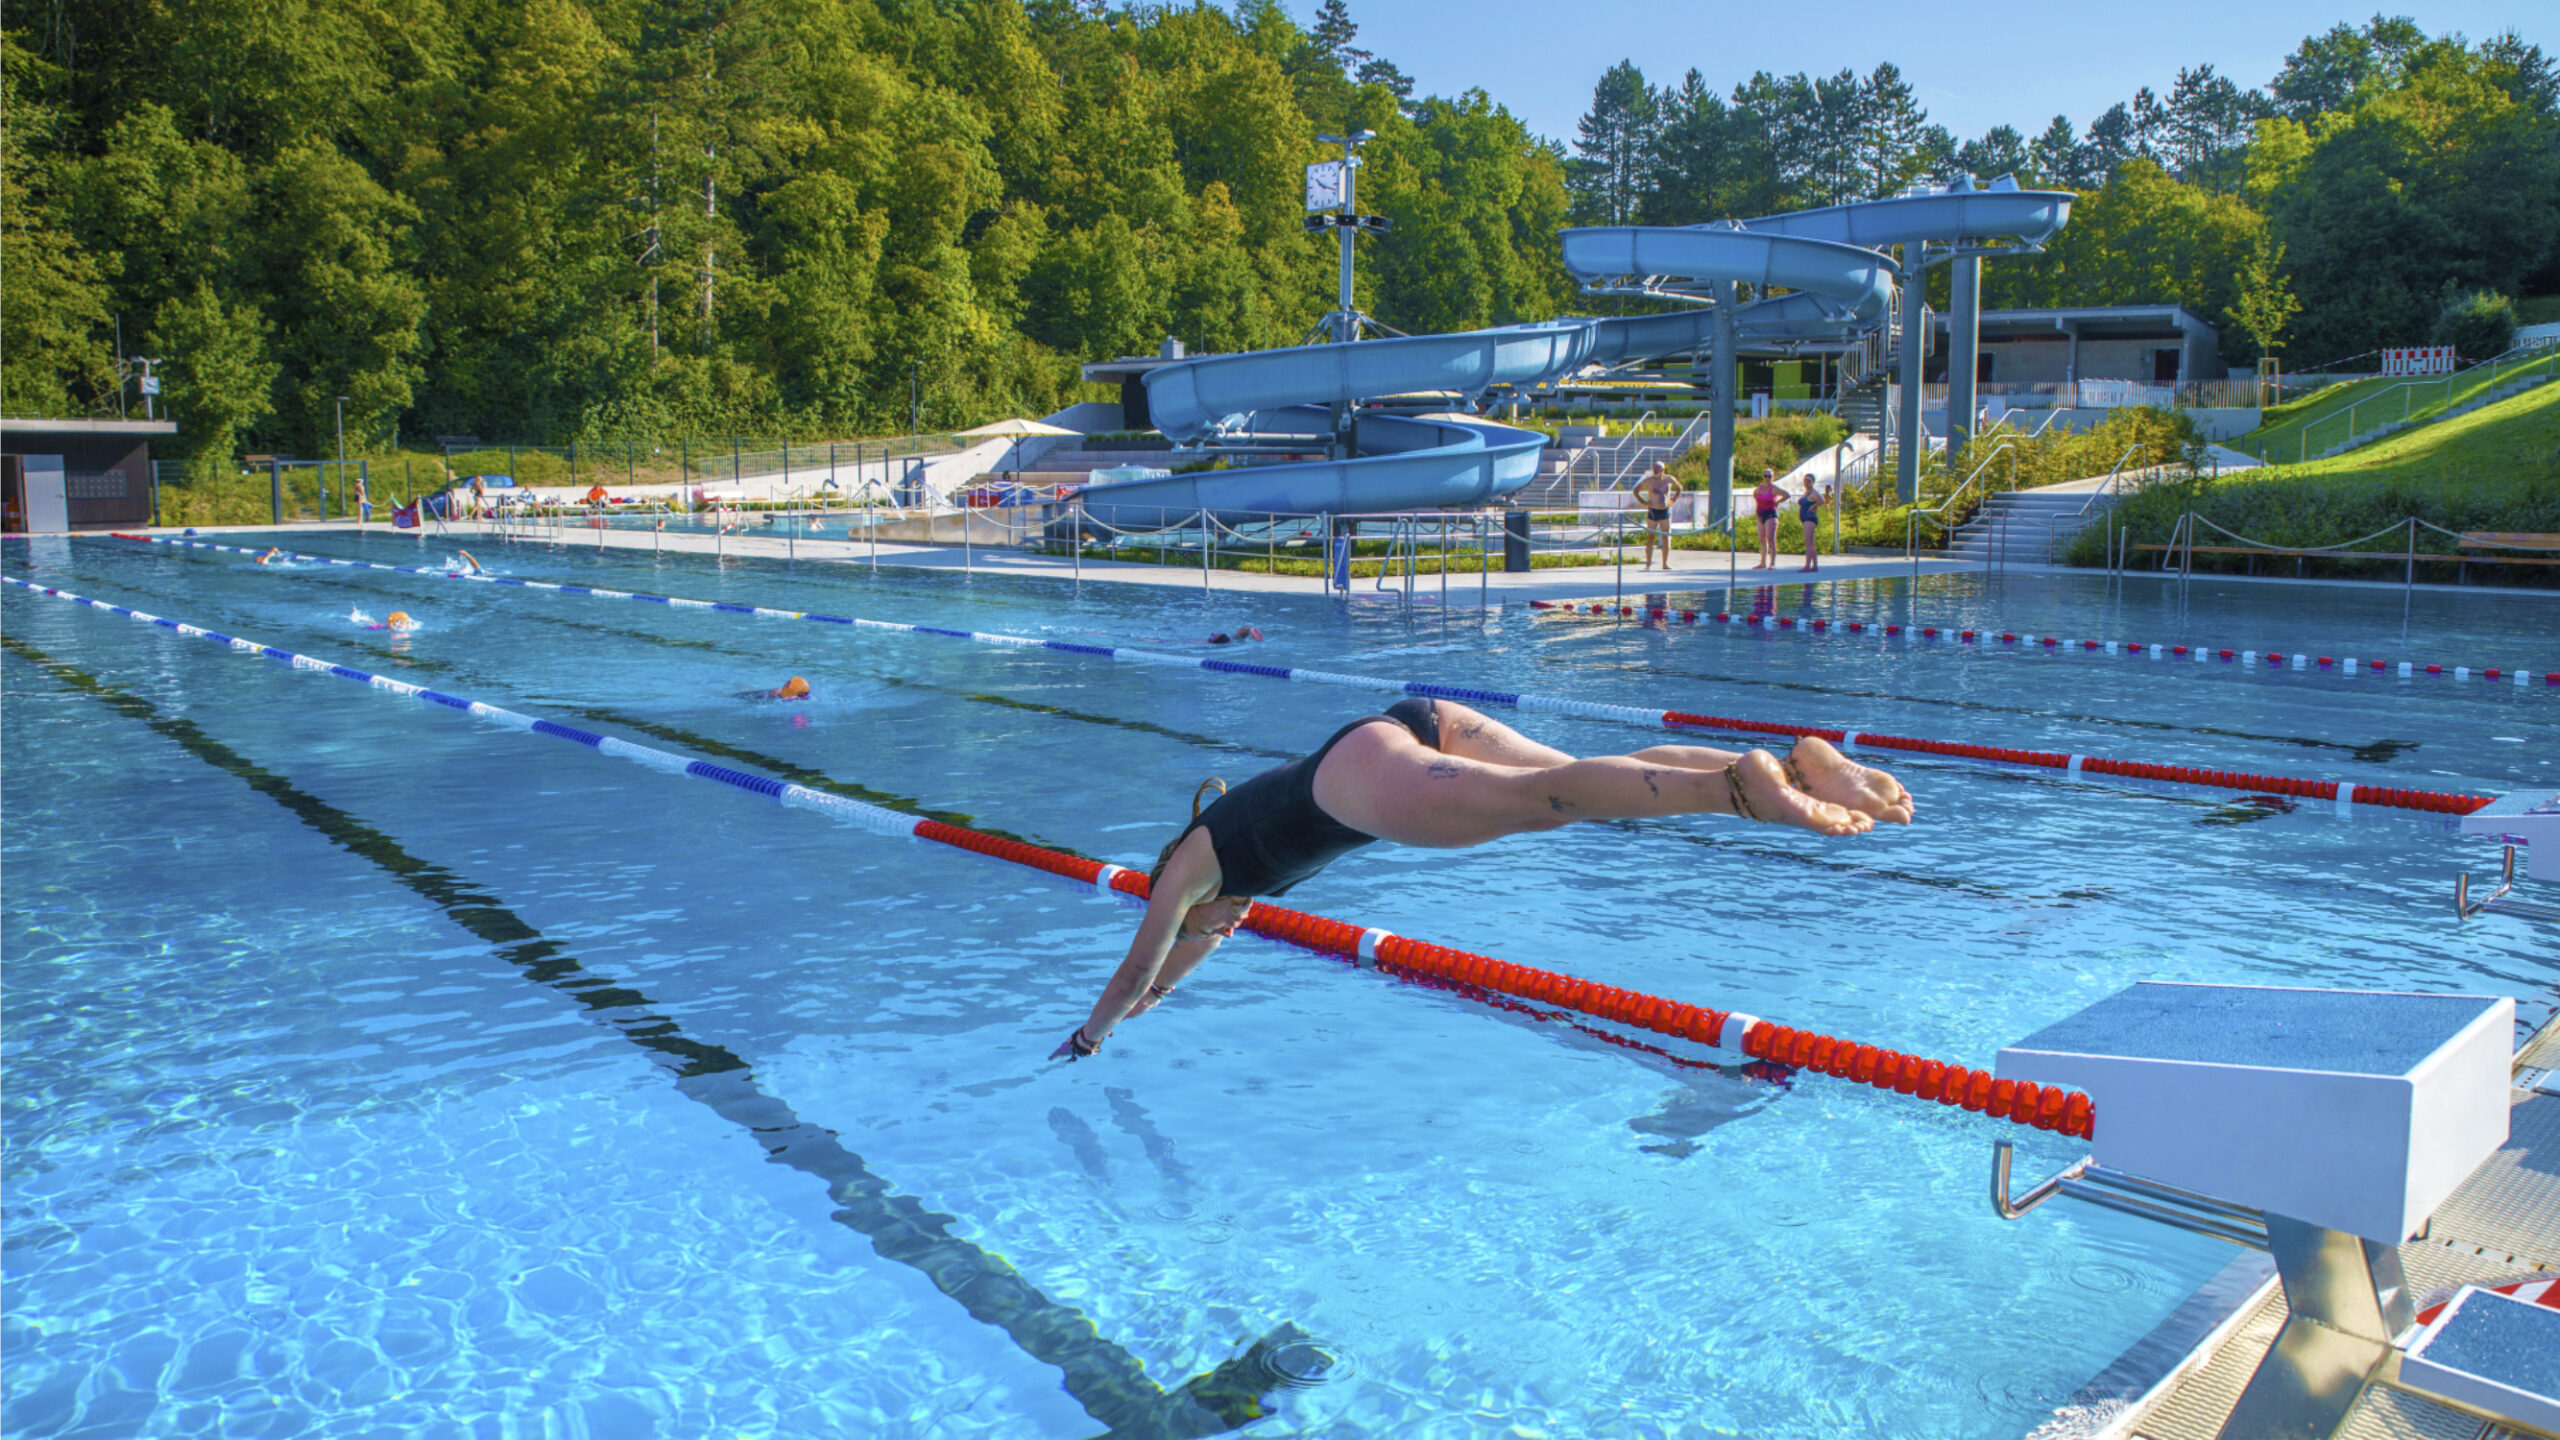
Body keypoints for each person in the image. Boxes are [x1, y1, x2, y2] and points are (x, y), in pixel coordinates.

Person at [1050, 697, 1913, 1060]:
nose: (1225, 927)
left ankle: (1743, 790)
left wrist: (1091, 1035)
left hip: (1360, 781)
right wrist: (1149, 1003)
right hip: (1412, 723)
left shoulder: (1185, 879)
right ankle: (1797, 772)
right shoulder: (1215, 866)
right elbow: (1166, 978)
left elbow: (1140, 969)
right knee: (1582, 776)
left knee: (1549, 801)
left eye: (1211, 926)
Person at [1631, 462, 1683, 571]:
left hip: (1665, 510)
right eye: (1654, 469)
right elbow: (1636, 490)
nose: (1655, 471)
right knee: (1651, 537)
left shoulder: (1669, 479)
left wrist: (1673, 499)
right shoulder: (1649, 480)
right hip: (1653, 510)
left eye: (1657, 469)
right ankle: (1648, 563)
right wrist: (1643, 501)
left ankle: (1665, 563)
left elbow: (1679, 487)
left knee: (1665, 537)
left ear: (1662, 470)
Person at [1795, 474, 1829, 573]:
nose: (1807, 482)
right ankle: (1814, 565)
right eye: (1805, 480)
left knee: (1808, 543)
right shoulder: (1806, 493)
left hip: (1810, 518)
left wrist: (1813, 506)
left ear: (1813, 482)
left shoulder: (1813, 493)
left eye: (1809, 480)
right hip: (1805, 518)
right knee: (1811, 543)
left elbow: (1822, 501)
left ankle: (1807, 565)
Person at [1751, 469, 1784, 570]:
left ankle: (1772, 563)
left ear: (1773, 477)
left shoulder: (1774, 488)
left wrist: (1777, 501)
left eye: (1769, 476)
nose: (1767, 478)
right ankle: (1762, 563)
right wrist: (1759, 503)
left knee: (1771, 539)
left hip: (1770, 515)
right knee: (1762, 539)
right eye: (1766, 476)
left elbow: (1787, 494)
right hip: (1760, 514)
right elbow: (1754, 494)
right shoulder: (1760, 488)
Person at [735, 676, 811, 701]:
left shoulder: (791, 693)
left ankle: (744, 687)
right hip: (766, 695)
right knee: (740, 696)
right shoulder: (776, 698)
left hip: (776, 692)